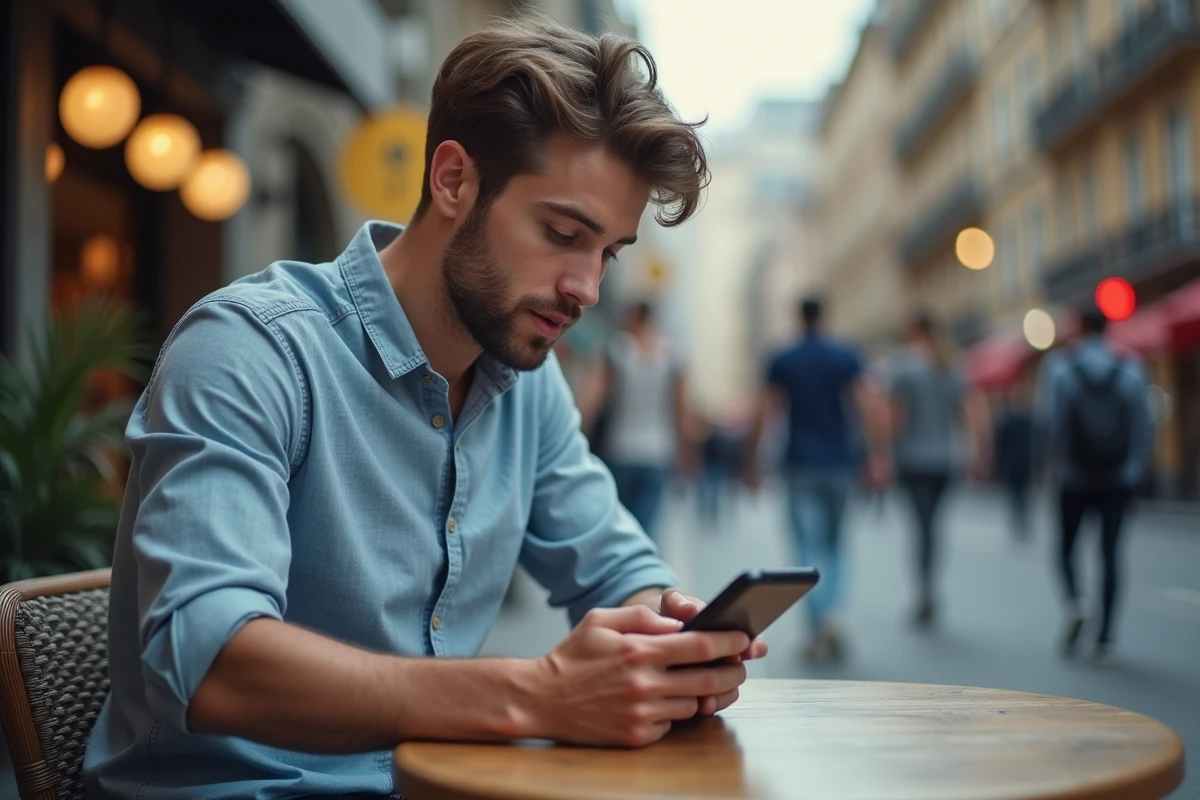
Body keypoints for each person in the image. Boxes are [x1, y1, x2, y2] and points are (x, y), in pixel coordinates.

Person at [83, 17, 766, 799]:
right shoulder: (251, 349)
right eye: (562, 233)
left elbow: (619, 568)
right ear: (452, 180)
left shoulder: (524, 381)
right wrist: (540, 692)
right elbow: (212, 664)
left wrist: (670, 638)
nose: (587, 288)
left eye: (606, 252)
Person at [743, 297, 890, 662]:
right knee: (837, 544)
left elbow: (766, 410)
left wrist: (751, 461)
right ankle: (832, 615)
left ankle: (820, 620)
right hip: (842, 463)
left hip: (799, 465)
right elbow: (869, 406)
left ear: (799, 317)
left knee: (807, 547)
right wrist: (878, 455)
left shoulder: (784, 358)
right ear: (824, 316)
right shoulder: (846, 355)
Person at [1036, 305, 1153, 665]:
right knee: (1111, 554)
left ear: (1078, 327)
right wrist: (1136, 470)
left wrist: (1049, 468)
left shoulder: (1058, 367)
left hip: (1073, 477)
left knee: (1066, 548)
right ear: (1107, 329)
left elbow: (1050, 424)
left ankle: (1075, 603)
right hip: (1118, 477)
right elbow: (1144, 427)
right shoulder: (1131, 367)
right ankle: (1105, 638)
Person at [887, 313, 991, 628]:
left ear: (915, 331)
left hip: (913, 460)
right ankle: (930, 585)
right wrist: (979, 452)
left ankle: (925, 589)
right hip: (946, 460)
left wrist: (885, 452)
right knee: (933, 526)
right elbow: (974, 411)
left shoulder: (904, 366)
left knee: (921, 527)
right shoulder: (953, 366)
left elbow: (897, 415)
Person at [580, 301, 694, 540]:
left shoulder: (617, 350)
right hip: (658, 451)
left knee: (618, 525)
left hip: (620, 448)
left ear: (636, 317)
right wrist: (687, 453)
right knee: (648, 528)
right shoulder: (672, 355)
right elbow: (681, 411)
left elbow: (593, 399)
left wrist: (577, 436)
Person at [994, 383, 1037, 543]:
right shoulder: (1030, 419)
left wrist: (999, 462)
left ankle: (1018, 518)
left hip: (1013, 462)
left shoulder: (1007, 419)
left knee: (1016, 492)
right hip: (1025, 461)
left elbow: (1000, 443)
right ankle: (1021, 518)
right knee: (1022, 492)